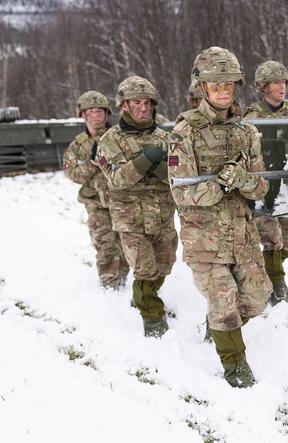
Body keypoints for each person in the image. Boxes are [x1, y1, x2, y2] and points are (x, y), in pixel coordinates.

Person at [168, 47, 272, 388]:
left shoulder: (247, 132)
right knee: (224, 299)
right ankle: (235, 364)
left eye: (229, 83)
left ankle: (219, 324)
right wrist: (222, 185)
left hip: (242, 235)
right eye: (215, 84)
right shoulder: (184, 134)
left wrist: (245, 181)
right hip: (205, 239)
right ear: (202, 86)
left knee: (257, 299)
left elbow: (260, 188)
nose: (223, 90)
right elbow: (182, 195)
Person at [95, 76, 178, 337]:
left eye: (147, 103)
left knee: (165, 265)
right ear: (124, 105)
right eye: (136, 102)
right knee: (144, 268)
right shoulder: (110, 140)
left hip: (163, 215)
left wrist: (159, 169)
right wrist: (146, 161)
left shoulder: (166, 137)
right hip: (130, 218)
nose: (143, 108)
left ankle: (146, 295)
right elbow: (118, 179)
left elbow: (179, 176)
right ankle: (153, 319)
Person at [243, 60, 288, 305]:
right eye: (276, 82)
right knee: (271, 239)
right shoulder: (252, 115)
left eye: (283, 81)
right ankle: (277, 283)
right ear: (264, 86)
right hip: (264, 185)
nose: (282, 86)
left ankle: (266, 267)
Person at [63, 91, 129, 289]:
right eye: (92, 111)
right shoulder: (78, 145)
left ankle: (124, 280)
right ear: (83, 115)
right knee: (105, 245)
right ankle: (110, 284)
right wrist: (92, 165)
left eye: (101, 111)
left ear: (107, 113)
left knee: (125, 244)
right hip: (95, 204)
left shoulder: (119, 136)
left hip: (121, 200)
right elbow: (71, 172)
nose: (97, 115)